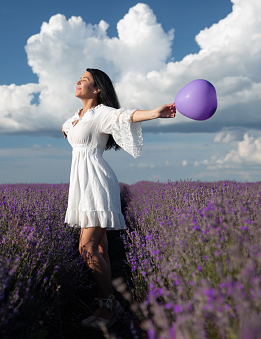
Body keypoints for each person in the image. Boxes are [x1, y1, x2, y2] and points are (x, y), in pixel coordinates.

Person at [62, 68, 176, 329]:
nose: (78, 82)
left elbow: (126, 115)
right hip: (81, 185)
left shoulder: (101, 113)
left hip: (97, 182)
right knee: (100, 249)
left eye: (84, 80)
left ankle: (110, 307)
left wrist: (156, 113)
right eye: (78, 79)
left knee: (86, 249)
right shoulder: (73, 119)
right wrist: (66, 130)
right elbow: (69, 130)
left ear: (98, 89)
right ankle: (105, 308)